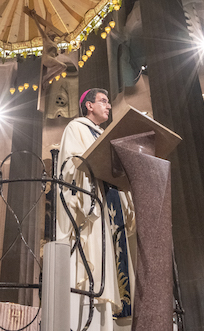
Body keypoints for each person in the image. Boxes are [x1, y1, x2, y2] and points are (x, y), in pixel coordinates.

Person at [57, 88, 135, 331]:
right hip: (95, 207)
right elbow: (71, 166)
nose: (109, 106)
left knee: (113, 262)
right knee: (95, 263)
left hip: (110, 204)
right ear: (88, 105)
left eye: (109, 102)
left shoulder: (105, 134)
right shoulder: (76, 128)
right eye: (103, 101)